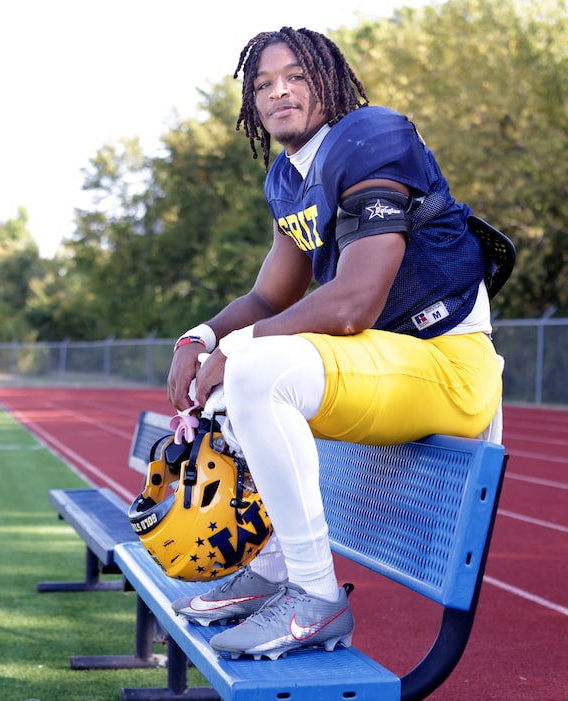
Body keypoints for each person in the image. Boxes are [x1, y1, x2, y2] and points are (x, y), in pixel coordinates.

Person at [166, 26, 504, 660]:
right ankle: (271, 572)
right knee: (223, 389)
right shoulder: (288, 178)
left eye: (295, 75)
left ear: (328, 79)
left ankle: (315, 598)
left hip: (447, 364)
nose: (279, 92)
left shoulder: (372, 137)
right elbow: (270, 299)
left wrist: (235, 350)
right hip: (385, 363)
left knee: (255, 371)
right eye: (262, 84)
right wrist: (202, 335)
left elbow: (353, 303)